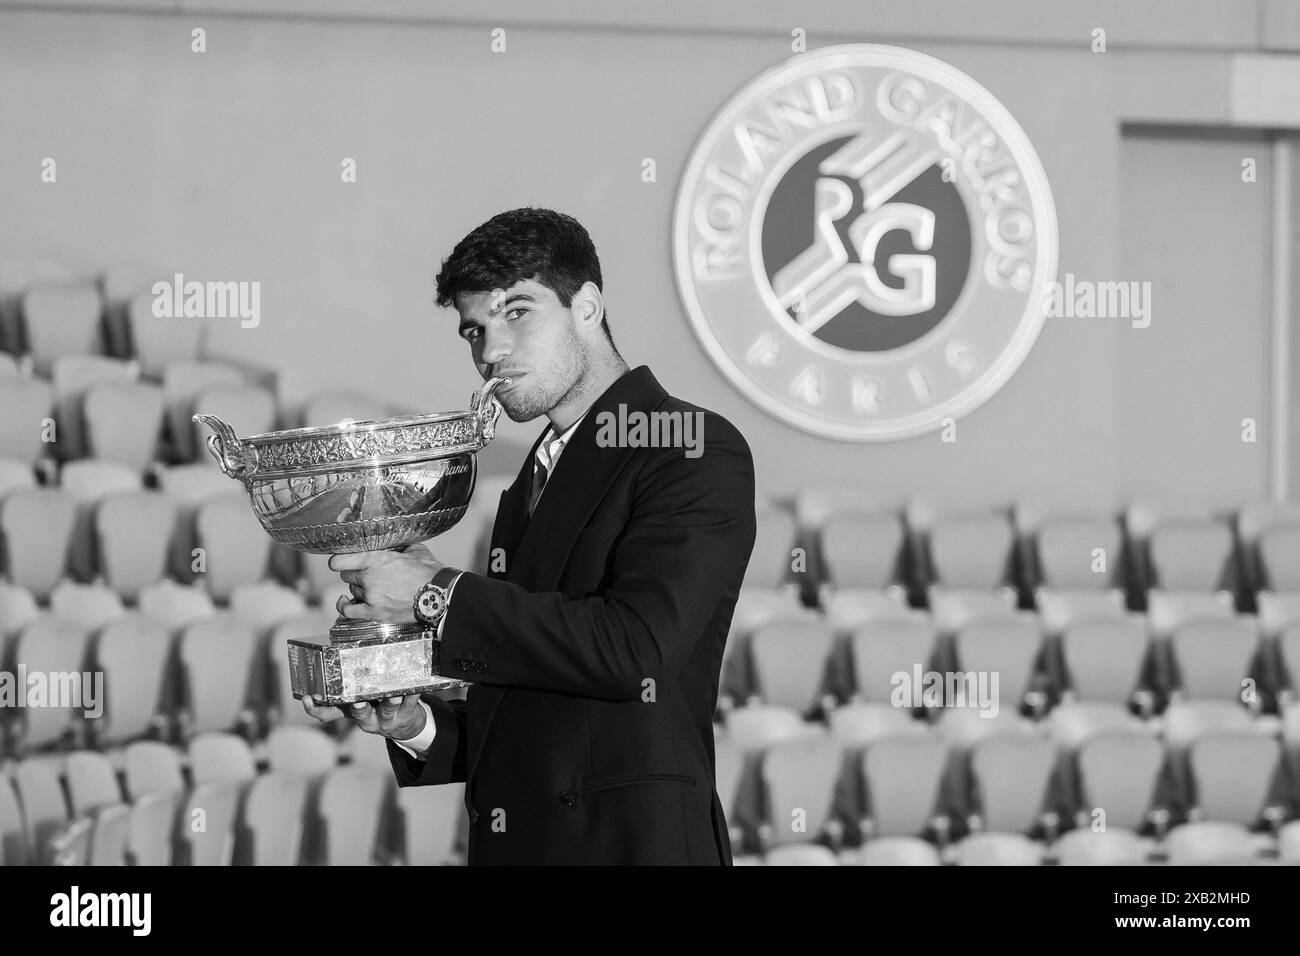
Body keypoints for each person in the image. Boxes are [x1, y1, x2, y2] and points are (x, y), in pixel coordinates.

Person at [303, 207, 756, 865]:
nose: (492, 351)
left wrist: (436, 595)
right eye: (475, 329)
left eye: (518, 312)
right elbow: (530, 699)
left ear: (589, 307)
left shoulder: (689, 444)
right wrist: (415, 724)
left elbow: (636, 649)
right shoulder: (531, 480)